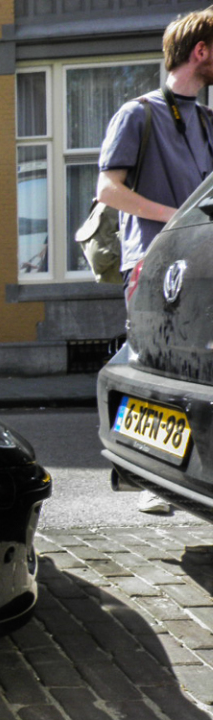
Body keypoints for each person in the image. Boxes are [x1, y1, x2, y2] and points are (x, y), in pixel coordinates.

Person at [97, 7, 213, 515]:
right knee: (154, 368)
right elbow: (108, 190)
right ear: (201, 52)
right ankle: (149, 475)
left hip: (202, 265)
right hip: (153, 267)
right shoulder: (137, 113)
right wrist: (175, 217)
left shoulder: (209, 122)